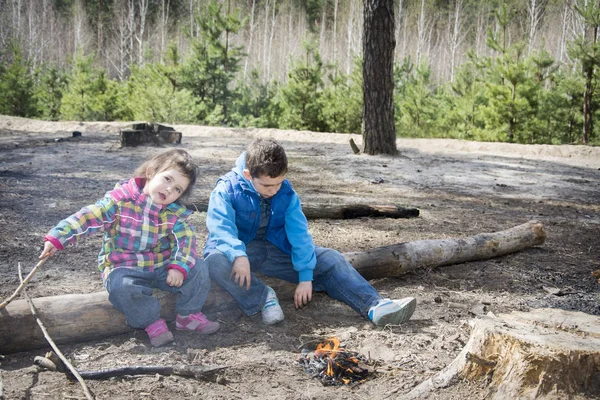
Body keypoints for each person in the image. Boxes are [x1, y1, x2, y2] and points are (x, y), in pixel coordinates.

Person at [203, 138, 416, 326]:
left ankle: (375, 306)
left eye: (279, 183)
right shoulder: (226, 189)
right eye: (268, 186)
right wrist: (238, 255)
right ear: (248, 175)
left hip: (273, 251)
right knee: (213, 261)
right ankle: (263, 297)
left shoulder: (285, 192)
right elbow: (221, 229)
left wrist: (305, 276)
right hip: (234, 252)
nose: (274, 190)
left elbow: (299, 234)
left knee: (331, 258)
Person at [39, 148, 220, 347]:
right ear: (151, 172)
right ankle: (151, 322)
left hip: (161, 266)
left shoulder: (173, 213)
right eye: (167, 179)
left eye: (177, 189)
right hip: (125, 267)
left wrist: (178, 266)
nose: (169, 189)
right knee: (120, 287)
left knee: (199, 268)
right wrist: (58, 237)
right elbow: (89, 217)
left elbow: (186, 241)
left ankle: (189, 314)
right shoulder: (120, 201)